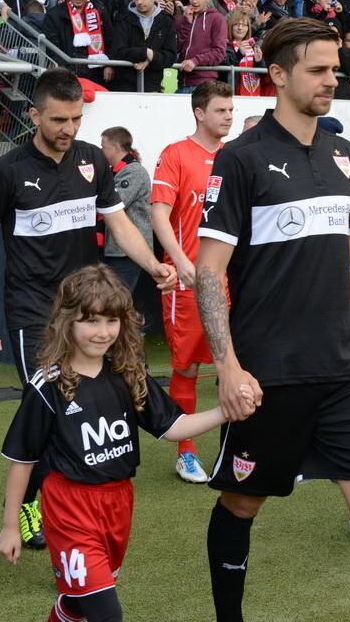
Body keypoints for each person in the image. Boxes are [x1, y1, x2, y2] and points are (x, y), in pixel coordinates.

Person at [196, 18, 350, 622]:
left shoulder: (345, 154)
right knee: (243, 503)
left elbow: (349, 261)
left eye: (334, 68)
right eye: (317, 70)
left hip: (343, 370)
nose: (331, 80)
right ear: (278, 75)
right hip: (270, 374)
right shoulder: (240, 160)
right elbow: (209, 269)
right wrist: (228, 367)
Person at [0, 69, 177, 551]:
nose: (69, 128)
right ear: (34, 114)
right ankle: (27, 507)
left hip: (86, 310)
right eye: (59, 119)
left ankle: (50, 500)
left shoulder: (93, 160)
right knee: (52, 404)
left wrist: (153, 264)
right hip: (33, 311)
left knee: (87, 402)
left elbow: (118, 224)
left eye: (76, 118)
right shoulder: (6, 171)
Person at [0, 264, 240, 622]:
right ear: (68, 322)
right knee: (106, 613)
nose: (103, 332)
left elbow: (174, 426)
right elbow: (23, 458)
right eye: (91, 321)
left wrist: (226, 411)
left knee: (78, 603)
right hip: (70, 507)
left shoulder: (127, 372)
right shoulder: (48, 384)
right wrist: (9, 525)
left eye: (112, 321)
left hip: (118, 503)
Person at [151, 80, 233, 484]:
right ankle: (186, 452)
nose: (228, 117)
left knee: (231, 365)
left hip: (234, 282)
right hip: (189, 283)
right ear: (200, 112)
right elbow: (159, 214)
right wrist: (180, 260)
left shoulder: (236, 157)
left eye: (231, 111)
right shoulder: (176, 154)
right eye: (221, 110)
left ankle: (235, 448)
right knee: (187, 369)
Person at [99, 127, 151, 292]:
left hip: (126, 252)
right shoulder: (115, 172)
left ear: (116, 147)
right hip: (116, 251)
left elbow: (114, 203)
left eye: (103, 147)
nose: (101, 151)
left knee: (117, 300)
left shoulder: (133, 172)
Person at [106, 0, 178, 92]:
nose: (138, 2)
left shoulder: (167, 21)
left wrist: (152, 57)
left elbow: (171, 56)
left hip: (152, 86)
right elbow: (117, 52)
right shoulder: (123, 19)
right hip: (123, 86)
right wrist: (145, 53)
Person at [176, 0, 227, 93]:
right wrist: (186, 24)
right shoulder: (181, 19)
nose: (194, 1)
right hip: (182, 82)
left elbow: (219, 52)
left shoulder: (217, 19)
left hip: (206, 84)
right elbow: (176, 49)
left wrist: (195, 61)